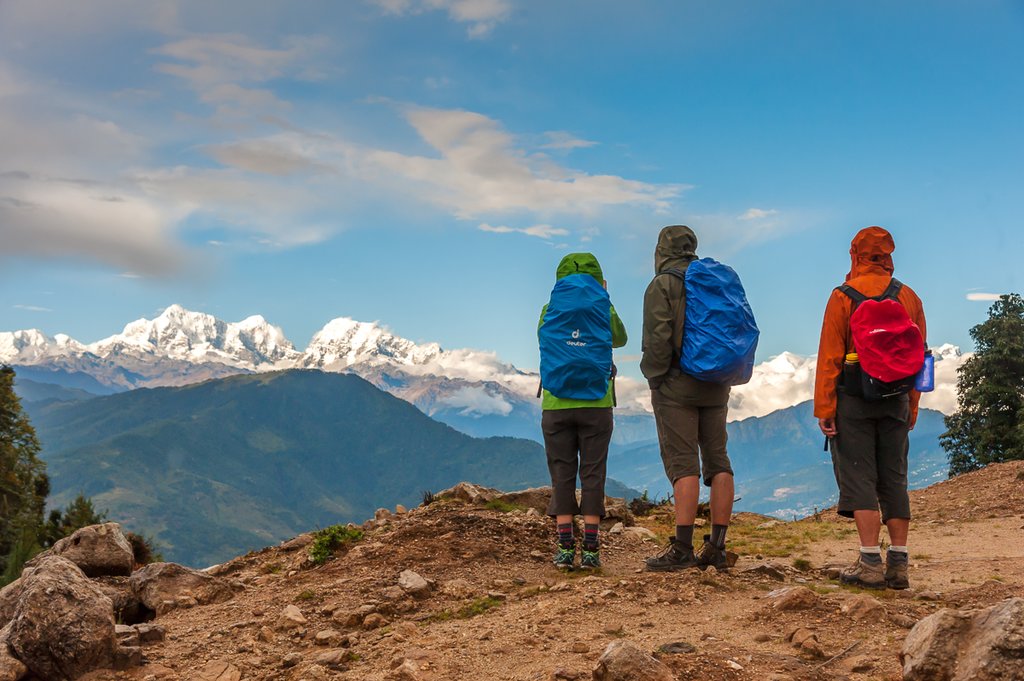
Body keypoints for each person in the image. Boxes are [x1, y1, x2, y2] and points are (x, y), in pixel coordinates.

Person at [814, 226, 927, 590]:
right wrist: (912, 405)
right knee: (894, 478)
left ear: (855, 254)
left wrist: (825, 408)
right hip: (896, 398)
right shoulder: (908, 296)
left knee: (860, 477)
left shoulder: (842, 296)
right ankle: (899, 564)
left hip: (853, 399)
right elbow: (920, 358)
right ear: (888, 255)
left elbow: (830, 357)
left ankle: (869, 564)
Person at [641, 225, 735, 571]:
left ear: (661, 249)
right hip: (717, 380)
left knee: (684, 464)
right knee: (718, 460)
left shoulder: (663, 283)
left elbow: (657, 338)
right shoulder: (712, 280)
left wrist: (654, 375)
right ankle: (718, 548)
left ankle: (682, 548)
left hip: (677, 384)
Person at [538, 253, 627, 570]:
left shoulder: (549, 310)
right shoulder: (604, 307)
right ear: (599, 280)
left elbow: (543, 338)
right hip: (597, 405)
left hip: (556, 405)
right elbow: (621, 338)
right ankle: (590, 550)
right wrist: (605, 298)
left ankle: (564, 549)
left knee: (562, 475)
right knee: (593, 474)